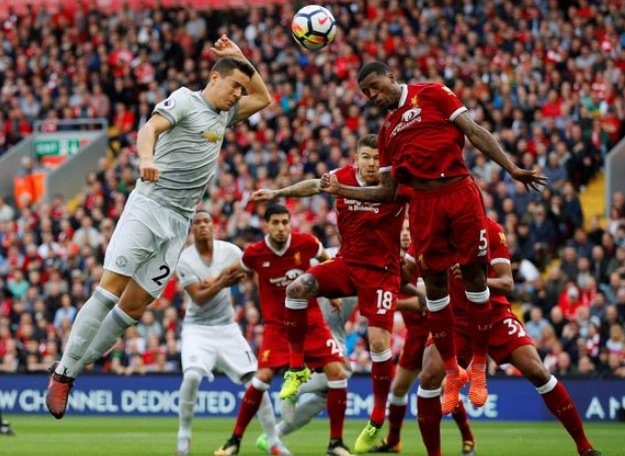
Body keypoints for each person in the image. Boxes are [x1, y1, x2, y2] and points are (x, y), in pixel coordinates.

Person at [45, 35, 272, 419]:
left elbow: (264, 98)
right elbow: (148, 129)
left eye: (241, 88)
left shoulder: (225, 114)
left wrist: (241, 57)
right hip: (149, 207)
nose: (239, 94)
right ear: (214, 78)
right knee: (108, 292)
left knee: (133, 308)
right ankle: (62, 376)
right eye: (235, 86)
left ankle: (73, 366)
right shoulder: (185, 100)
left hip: (179, 221)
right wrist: (146, 159)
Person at [321, 61, 547, 415]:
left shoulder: (433, 93)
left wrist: (512, 168)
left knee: (475, 279)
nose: (372, 95)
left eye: (375, 86)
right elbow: (388, 192)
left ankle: (478, 368)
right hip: (424, 206)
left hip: (460, 193)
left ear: (392, 76)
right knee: (436, 290)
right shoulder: (387, 133)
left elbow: (474, 132)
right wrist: (342, 189)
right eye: (365, 93)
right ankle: (453, 371)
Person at [253, 134, 412, 452]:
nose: (372, 163)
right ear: (356, 159)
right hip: (347, 264)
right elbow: (314, 185)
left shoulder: (395, 184)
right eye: (366, 157)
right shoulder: (340, 177)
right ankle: (296, 369)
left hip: (382, 273)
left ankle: (376, 418)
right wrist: (277, 193)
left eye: (377, 158)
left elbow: (419, 194)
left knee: (378, 343)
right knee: (296, 289)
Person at [411, 217, 601, 456]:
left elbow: (507, 283)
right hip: (456, 320)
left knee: (538, 371)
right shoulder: (434, 229)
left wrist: (476, 280)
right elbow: (416, 277)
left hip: (495, 314)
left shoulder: (490, 229)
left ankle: (585, 447)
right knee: (429, 376)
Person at [214, 205, 351, 456]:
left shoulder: (305, 243)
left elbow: (327, 261)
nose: (281, 228)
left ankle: (336, 443)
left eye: (285, 222)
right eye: (275, 222)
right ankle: (234, 440)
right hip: (277, 328)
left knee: (338, 373)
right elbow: (235, 269)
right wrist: (214, 283)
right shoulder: (255, 253)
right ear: (266, 225)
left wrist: (332, 291)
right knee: (262, 378)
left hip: (311, 323)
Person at [174, 211, 289, 456]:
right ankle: (184, 436)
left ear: (214, 226)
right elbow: (199, 298)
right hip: (197, 328)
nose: (203, 226)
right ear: (191, 230)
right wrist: (222, 282)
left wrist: (218, 281)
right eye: (197, 223)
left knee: (257, 381)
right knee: (192, 376)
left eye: (207, 221)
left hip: (227, 327)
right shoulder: (185, 259)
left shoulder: (230, 251)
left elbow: (249, 272)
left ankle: (274, 442)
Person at [372, 219, 475, 455]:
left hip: (435, 332)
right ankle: (393, 440)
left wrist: (389, 304)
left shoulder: (426, 257)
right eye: (401, 230)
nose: (405, 234)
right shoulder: (395, 264)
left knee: (443, 387)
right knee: (398, 388)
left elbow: (425, 302)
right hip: (413, 336)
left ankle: (468, 438)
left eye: (409, 230)